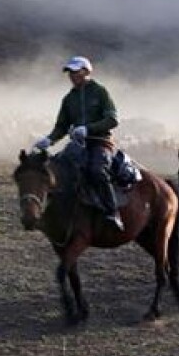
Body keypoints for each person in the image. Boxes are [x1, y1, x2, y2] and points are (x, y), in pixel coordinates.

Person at [32, 55, 123, 231]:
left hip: (100, 142)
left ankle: (113, 213)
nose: (72, 76)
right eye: (70, 73)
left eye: (75, 72)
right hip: (78, 144)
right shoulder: (68, 99)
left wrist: (88, 129)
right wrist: (49, 140)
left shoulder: (100, 92)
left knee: (97, 171)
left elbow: (112, 119)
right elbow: (61, 126)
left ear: (86, 71)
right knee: (55, 169)